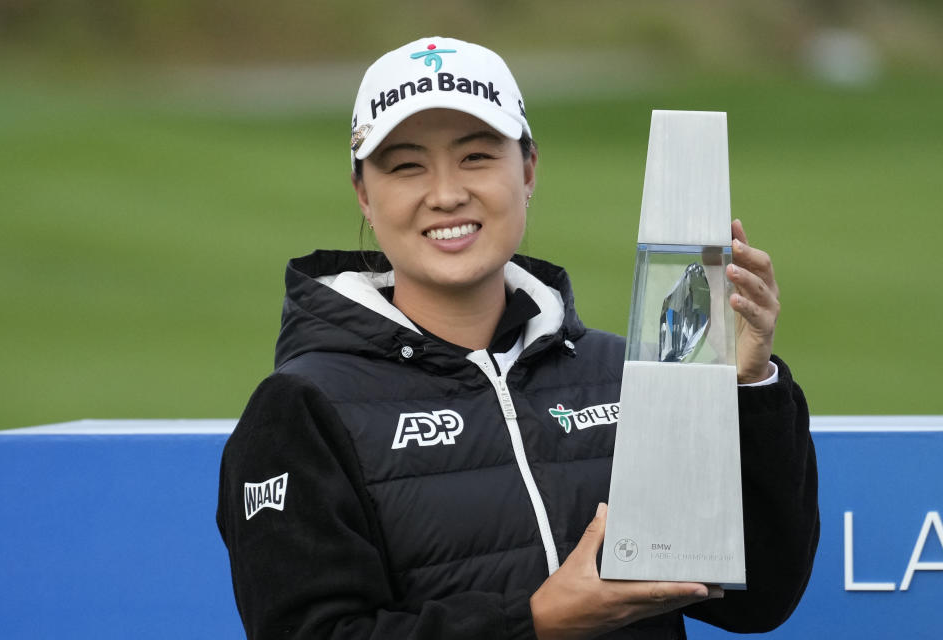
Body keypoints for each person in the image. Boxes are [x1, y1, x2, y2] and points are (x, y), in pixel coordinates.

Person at [216, 36, 818, 640]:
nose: (447, 193)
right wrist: (535, 623)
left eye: (477, 156)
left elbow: (756, 598)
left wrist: (746, 390)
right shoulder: (301, 410)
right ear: (364, 195)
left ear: (528, 170)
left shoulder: (622, 372)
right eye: (405, 166)